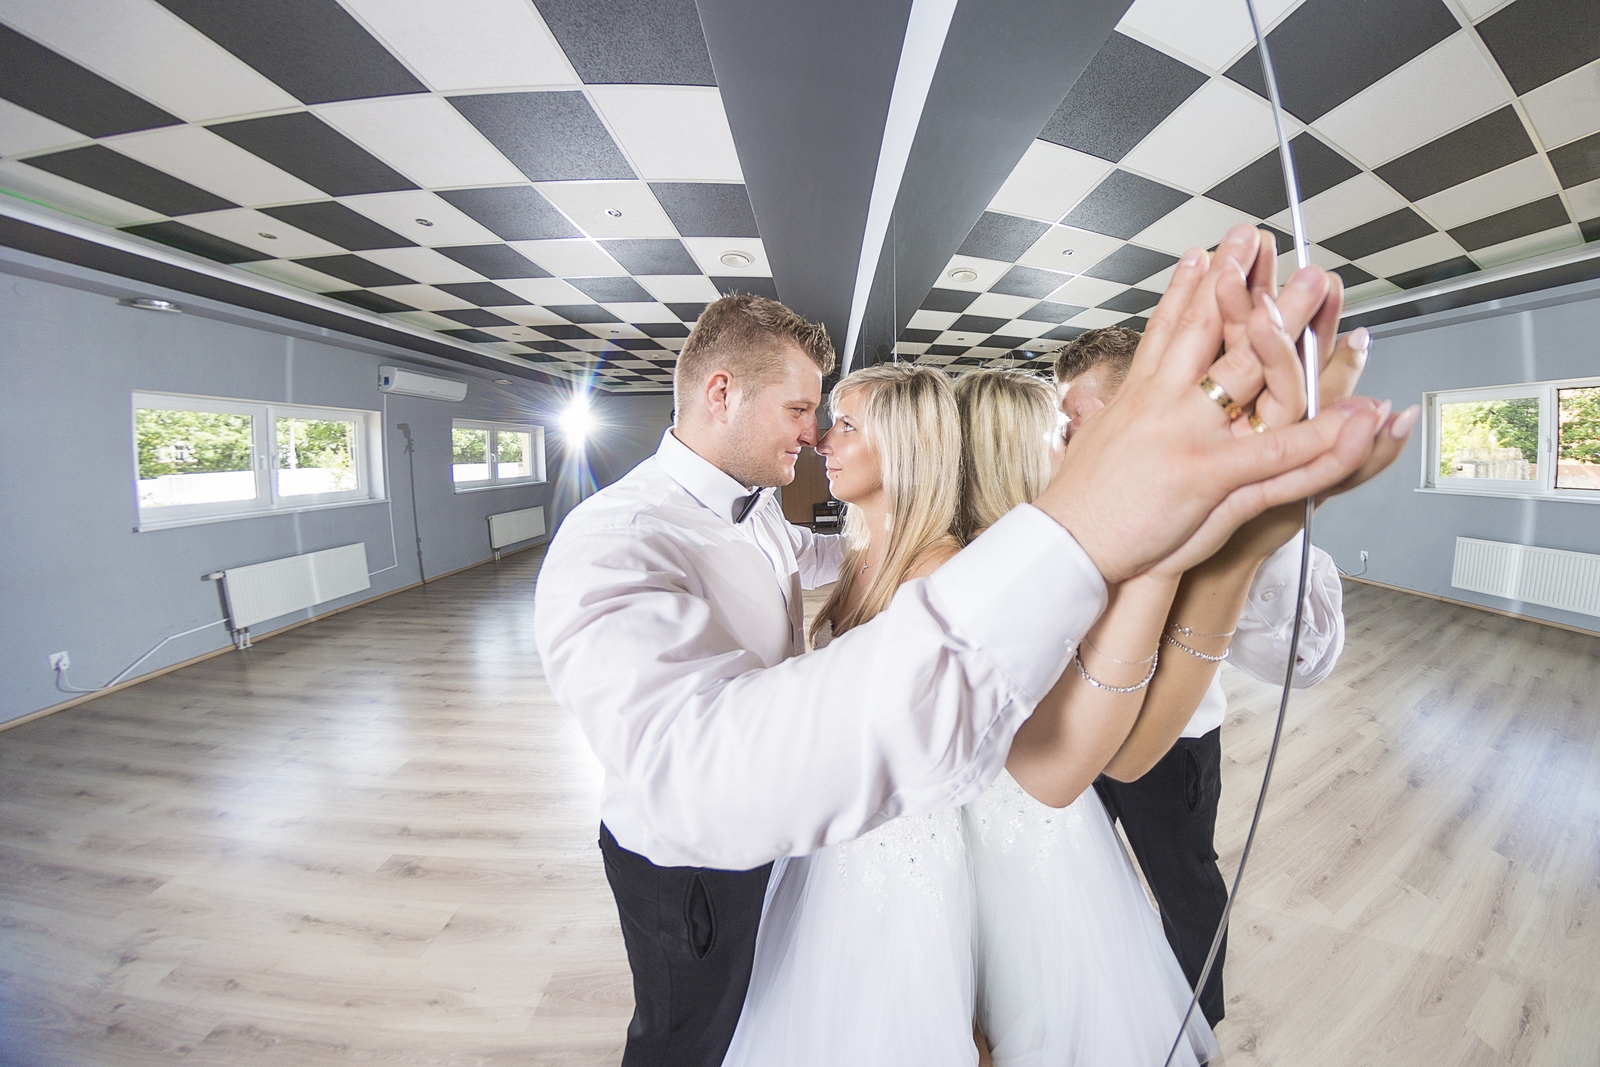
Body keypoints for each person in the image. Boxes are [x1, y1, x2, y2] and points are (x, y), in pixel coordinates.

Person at [533, 226, 1402, 1066]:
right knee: (685, 1032)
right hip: (685, 864)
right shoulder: (613, 538)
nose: (812, 437)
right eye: (804, 411)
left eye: (832, 418)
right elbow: (701, 767)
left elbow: (854, 562)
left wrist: (1209, 546)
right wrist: (1085, 528)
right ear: (721, 393)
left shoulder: (776, 521)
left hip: (839, 840)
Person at [1052, 321, 1417, 1027]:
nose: (1066, 436)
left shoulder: (1230, 509)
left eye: (1079, 416)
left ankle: (1195, 1023)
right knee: (1089, 871)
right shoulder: (1072, 488)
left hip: (1172, 745)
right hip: (1079, 734)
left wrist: (1257, 541)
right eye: (1064, 421)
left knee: (1182, 886)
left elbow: (1304, 662)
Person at [954, 368, 1217, 1066]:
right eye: (1055, 428)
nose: (1069, 438)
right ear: (1012, 444)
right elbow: (1106, 746)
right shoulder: (1015, 563)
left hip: (1034, 811)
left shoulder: (1024, 545)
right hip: (1031, 815)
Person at [722, 363, 975, 1067]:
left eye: (846, 424)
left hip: (894, 842)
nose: (821, 441)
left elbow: (919, 735)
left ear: (904, 447)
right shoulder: (863, 549)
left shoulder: (936, 568)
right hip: (835, 828)